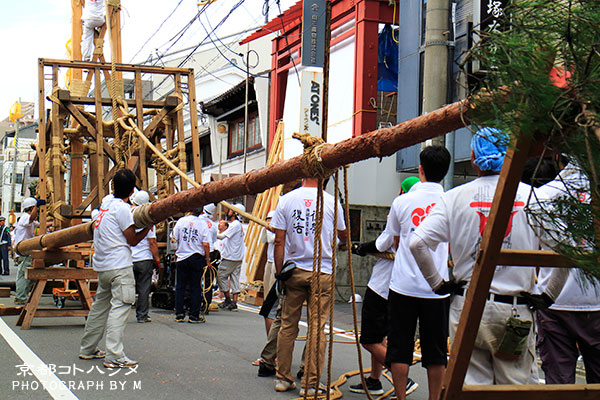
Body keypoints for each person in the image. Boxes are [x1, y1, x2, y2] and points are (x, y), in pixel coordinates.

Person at [409, 128, 567, 385]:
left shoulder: (453, 198)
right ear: (509, 156)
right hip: (514, 309)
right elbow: (565, 248)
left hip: (467, 306)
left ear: (473, 157)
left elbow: (417, 243)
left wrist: (438, 284)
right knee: (513, 387)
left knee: (469, 386)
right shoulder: (531, 197)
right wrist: (548, 295)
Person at [384, 146, 451, 400]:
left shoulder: (402, 201)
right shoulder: (449, 201)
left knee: (400, 348)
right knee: (436, 352)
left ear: (420, 170)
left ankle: (401, 397)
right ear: (444, 172)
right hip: (437, 288)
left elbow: (397, 241)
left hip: (403, 285)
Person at [271, 177, 346, 396]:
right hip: (322, 271)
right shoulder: (332, 202)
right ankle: (310, 383)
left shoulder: (286, 200)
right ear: (326, 179)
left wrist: (280, 272)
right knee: (317, 327)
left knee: (288, 325)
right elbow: (342, 234)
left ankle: (283, 378)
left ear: (303, 176)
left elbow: (279, 241)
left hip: (294, 270)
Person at [528, 159, 600, 384]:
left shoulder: (544, 195)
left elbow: (533, 218)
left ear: (558, 158)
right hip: (597, 300)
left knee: (559, 385)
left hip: (555, 301)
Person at [349, 176, 421, 397]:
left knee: (369, 340)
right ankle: (374, 380)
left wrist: (361, 248)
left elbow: (383, 243)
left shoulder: (400, 209)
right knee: (380, 336)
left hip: (382, 286)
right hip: (403, 287)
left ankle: (401, 377)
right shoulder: (426, 214)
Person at [79, 169, 151, 368]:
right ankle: (114, 354)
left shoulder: (104, 206)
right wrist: (148, 227)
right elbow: (133, 240)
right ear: (131, 191)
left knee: (100, 308)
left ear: (113, 187)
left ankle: (88, 348)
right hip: (119, 265)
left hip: (103, 266)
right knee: (120, 307)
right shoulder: (122, 209)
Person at [172, 208, 212, 323]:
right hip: (196, 257)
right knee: (196, 286)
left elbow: (174, 238)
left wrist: (176, 252)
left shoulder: (181, 221)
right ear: (201, 212)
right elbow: (205, 244)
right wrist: (208, 259)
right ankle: (194, 315)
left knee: (180, 286)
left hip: (182, 256)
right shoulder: (202, 224)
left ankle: (179, 313)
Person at [130, 190, 160, 323]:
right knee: (143, 288)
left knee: (127, 286)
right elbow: (152, 242)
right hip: (144, 259)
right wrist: (157, 260)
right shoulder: (148, 219)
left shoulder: (127, 215)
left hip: (129, 258)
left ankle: (120, 315)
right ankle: (142, 315)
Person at [13, 197, 43, 304]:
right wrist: (37, 206)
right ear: (31, 208)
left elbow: (41, 224)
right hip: (24, 251)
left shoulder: (30, 221)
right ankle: (20, 298)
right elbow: (31, 218)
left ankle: (22, 296)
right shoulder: (25, 217)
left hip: (26, 251)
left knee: (28, 276)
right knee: (24, 275)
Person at [217, 203, 245, 311]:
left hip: (230, 257)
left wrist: (210, 234)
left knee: (221, 276)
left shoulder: (235, 225)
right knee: (234, 278)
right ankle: (234, 302)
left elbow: (222, 236)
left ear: (235, 213)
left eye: (231, 210)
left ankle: (228, 299)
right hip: (237, 256)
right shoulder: (239, 225)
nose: (228, 211)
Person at [260, 210, 276, 335]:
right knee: (267, 290)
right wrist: (266, 227)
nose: (269, 220)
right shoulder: (270, 229)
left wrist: (271, 228)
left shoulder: (279, 231)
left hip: (277, 262)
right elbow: (264, 239)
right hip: (269, 261)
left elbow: (272, 239)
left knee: (273, 293)